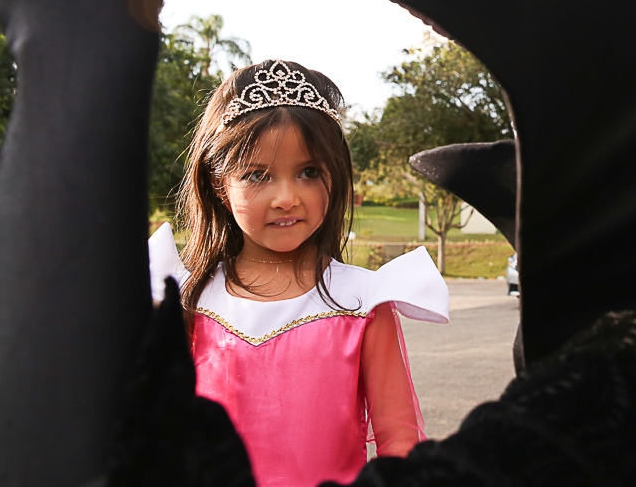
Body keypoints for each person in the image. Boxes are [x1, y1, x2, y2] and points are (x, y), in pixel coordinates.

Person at [147, 58, 449, 487]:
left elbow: (399, 437)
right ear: (219, 184)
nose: (287, 197)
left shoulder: (363, 302)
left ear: (335, 174)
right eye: (257, 175)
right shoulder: (189, 298)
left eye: (308, 172)